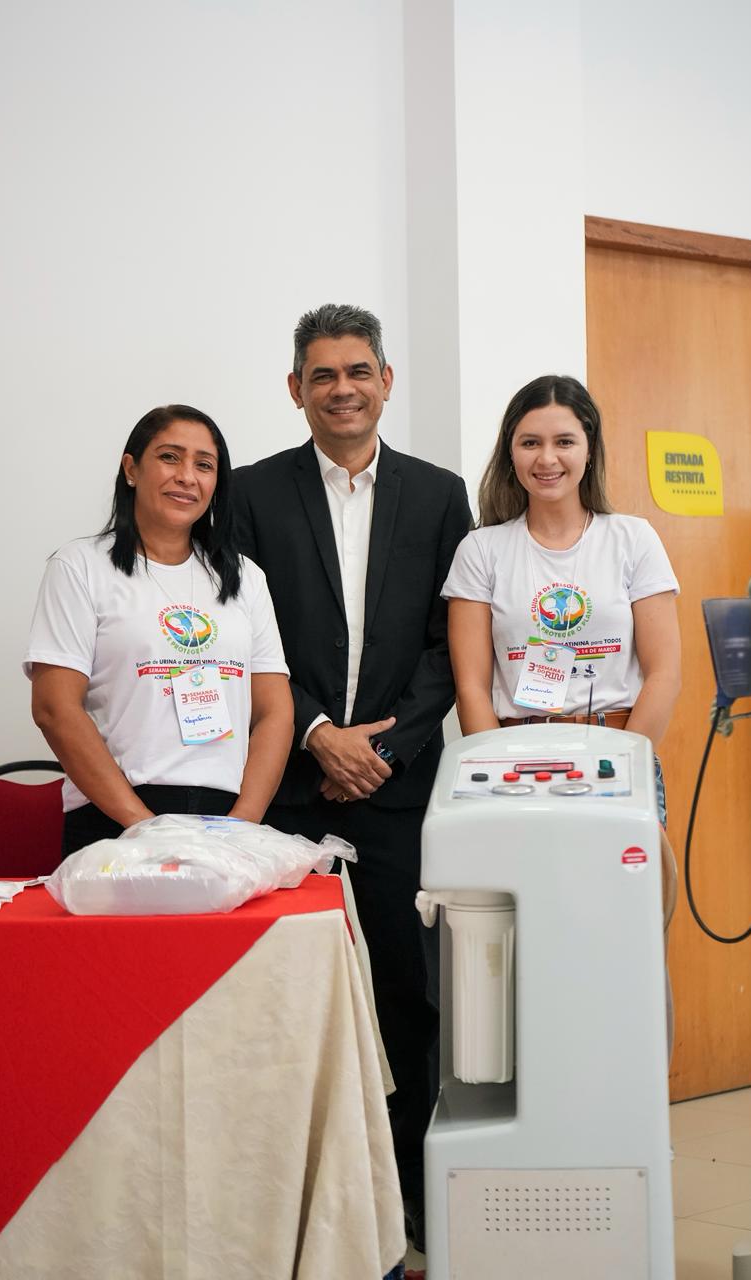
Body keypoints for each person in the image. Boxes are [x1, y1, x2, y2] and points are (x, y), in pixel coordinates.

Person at [231, 304, 472, 1252]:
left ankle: (406, 1200)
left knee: (407, 996)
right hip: (285, 790)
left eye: (358, 371)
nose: (343, 389)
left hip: (399, 792)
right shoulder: (248, 494)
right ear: (296, 389)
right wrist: (318, 736)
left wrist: (380, 751)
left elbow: (450, 646)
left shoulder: (440, 495)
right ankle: (295, 1206)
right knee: (286, 997)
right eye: (323, 375)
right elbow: (241, 635)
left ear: (386, 381)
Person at [25, 404, 293, 854]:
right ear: (131, 469)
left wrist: (242, 824)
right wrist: (142, 824)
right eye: (170, 457)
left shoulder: (246, 578)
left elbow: (275, 712)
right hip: (115, 816)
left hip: (225, 820)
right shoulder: (79, 567)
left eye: (204, 465)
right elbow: (54, 708)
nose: (187, 477)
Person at [442, 374, 681, 819]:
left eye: (564, 442)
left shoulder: (633, 539)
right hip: (514, 764)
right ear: (510, 452)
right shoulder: (481, 550)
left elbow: (664, 673)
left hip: (617, 753)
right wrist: (496, 771)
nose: (547, 458)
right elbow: (470, 687)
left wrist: (624, 765)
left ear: (589, 450)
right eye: (530, 443)